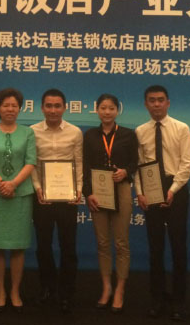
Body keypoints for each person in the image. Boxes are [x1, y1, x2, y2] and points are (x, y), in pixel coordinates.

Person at [133, 85, 190, 321]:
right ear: (146, 104)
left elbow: (186, 163)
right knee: (155, 248)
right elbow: (139, 166)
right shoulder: (140, 131)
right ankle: (157, 298)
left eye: (160, 100)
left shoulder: (181, 128)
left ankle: (179, 300)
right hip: (151, 189)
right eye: (152, 100)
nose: (156, 104)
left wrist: (173, 189)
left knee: (178, 247)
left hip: (176, 188)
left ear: (168, 103)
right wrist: (140, 193)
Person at [0, 88, 36, 312]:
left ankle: (15, 290)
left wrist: (13, 184)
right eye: (6, 105)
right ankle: (0, 290)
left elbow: (31, 162)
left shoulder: (28, 132)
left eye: (14, 105)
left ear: (20, 108)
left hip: (21, 194)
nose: (10, 109)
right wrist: (2, 183)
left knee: (18, 246)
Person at [83, 93, 138, 314]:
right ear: (97, 110)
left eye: (111, 108)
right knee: (103, 242)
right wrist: (88, 193)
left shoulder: (128, 135)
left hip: (121, 188)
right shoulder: (90, 135)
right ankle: (106, 287)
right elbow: (85, 165)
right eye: (103, 108)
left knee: (121, 242)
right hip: (98, 192)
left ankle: (120, 289)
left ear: (117, 110)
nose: (107, 112)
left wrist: (126, 171)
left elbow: (135, 162)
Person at [30, 89, 83, 314]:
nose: (53, 110)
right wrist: (38, 189)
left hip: (67, 198)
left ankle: (67, 292)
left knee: (68, 246)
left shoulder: (75, 132)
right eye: (49, 106)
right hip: (42, 198)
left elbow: (79, 162)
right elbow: (31, 163)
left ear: (65, 108)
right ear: (42, 108)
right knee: (43, 246)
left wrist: (78, 190)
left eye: (57, 106)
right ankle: (47, 288)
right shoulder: (32, 132)